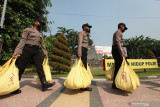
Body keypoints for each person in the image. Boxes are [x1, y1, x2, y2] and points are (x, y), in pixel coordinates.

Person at [12, 19, 55, 94]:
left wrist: (45, 52)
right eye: (40, 23)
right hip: (27, 49)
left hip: (36, 50)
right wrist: (17, 52)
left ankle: (44, 83)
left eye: (42, 24)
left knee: (40, 67)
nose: (41, 25)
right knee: (21, 67)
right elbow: (22, 40)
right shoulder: (28, 30)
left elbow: (42, 44)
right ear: (35, 22)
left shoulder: (41, 33)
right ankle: (14, 87)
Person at [112, 23, 128, 89]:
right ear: (121, 26)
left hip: (117, 50)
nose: (124, 29)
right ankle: (115, 84)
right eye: (124, 27)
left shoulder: (119, 33)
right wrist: (121, 52)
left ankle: (117, 83)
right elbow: (118, 43)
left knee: (119, 67)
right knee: (119, 67)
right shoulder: (118, 32)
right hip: (117, 50)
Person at [77, 23, 92, 91]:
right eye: (88, 27)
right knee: (83, 67)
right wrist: (79, 52)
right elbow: (80, 43)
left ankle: (82, 84)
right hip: (82, 50)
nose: (89, 28)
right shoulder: (81, 33)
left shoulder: (86, 34)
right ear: (84, 27)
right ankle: (83, 86)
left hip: (84, 50)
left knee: (84, 67)